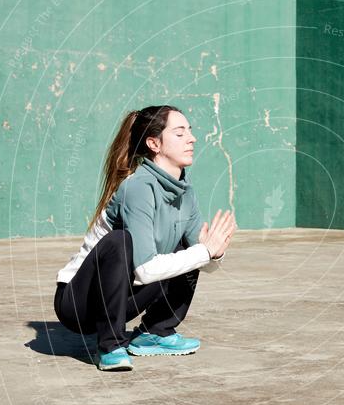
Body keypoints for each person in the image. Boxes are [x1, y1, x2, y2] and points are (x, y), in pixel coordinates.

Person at [53, 105, 236, 371]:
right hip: (79, 305)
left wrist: (215, 253)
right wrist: (204, 252)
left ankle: (156, 332)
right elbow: (146, 269)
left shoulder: (185, 192)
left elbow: (201, 260)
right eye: (179, 133)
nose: (191, 139)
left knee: (188, 248)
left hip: (123, 296)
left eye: (190, 132)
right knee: (120, 241)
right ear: (154, 143)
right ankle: (110, 345)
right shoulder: (138, 187)